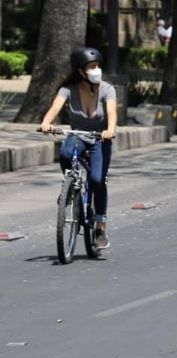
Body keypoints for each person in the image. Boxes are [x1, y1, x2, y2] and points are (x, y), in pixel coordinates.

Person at [40, 47, 117, 249]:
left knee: (98, 179)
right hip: (78, 135)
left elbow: (112, 112)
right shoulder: (68, 89)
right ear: (81, 71)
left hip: (100, 138)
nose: (96, 70)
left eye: (98, 66)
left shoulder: (107, 89)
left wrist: (110, 129)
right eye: (92, 67)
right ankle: (70, 187)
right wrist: (46, 123)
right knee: (65, 153)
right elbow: (55, 108)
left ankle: (100, 228)